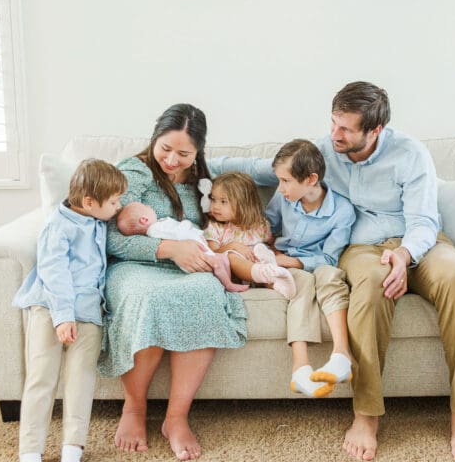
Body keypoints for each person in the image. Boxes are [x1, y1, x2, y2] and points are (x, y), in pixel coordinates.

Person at [211, 82, 455, 462]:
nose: (335, 134)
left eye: (346, 129)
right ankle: (366, 415)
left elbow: (422, 220)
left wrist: (405, 255)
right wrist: (194, 163)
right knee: (369, 290)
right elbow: (262, 170)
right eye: (334, 123)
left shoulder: (410, 154)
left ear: (374, 130)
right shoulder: (322, 151)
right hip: (361, 248)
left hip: (418, 241)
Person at [99, 104, 247, 461]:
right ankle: (134, 409)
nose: (171, 160)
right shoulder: (135, 172)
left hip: (189, 265)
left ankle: (176, 418)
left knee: (204, 294)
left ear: (198, 153)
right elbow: (110, 237)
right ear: (154, 138)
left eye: (183, 153)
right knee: (148, 299)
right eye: (165, 148)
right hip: (136, 264)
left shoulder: (203, 182)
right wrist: (169, 249)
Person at [13, 158, 126, 462]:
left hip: (89, 311)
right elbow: (54, 273)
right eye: (115, 202)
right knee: (41, 377)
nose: (118, 207)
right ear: (90, 202)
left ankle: (72, 451)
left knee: (81, 379)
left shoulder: (98, 219)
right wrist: (63, 317)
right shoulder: (58, 226)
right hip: (50, 307)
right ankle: (30, 453)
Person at [263, 139, 356, 398]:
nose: (280, 188)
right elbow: (267, 226)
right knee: (300, 284)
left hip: (317, 261)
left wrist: (294, 262)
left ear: (311, 179)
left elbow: (330, 257)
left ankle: (341, 355)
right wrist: (265, 246)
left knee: (330, 276)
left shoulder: (342, 211)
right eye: (279, 180)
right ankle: (300, 369)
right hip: (288, 263)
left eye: (286, 181)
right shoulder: (284, 198)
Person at [115, 201, 248, 293]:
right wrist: (187, 224)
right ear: (144, 220)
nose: (149, 206)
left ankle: (229, 281)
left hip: (198, 250)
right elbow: (179, 232)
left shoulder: (159, 225)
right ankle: (228, 285)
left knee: (223, 259)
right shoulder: (156, 229)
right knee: (218, 263)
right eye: (146, 207)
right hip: (194, 256)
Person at [204, 172, 296, 300]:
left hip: (257, 271)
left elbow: (272, 242)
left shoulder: (259, 225)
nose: (215, 206)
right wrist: (233, 246)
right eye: (213, 199)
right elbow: (212, 253)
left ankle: (276, 283)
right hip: (234, 274)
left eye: (223, 201)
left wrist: (278, 254)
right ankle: (265, 273)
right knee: (231, 255)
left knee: (261, 249)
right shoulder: (215, 227)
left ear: (243, 203)